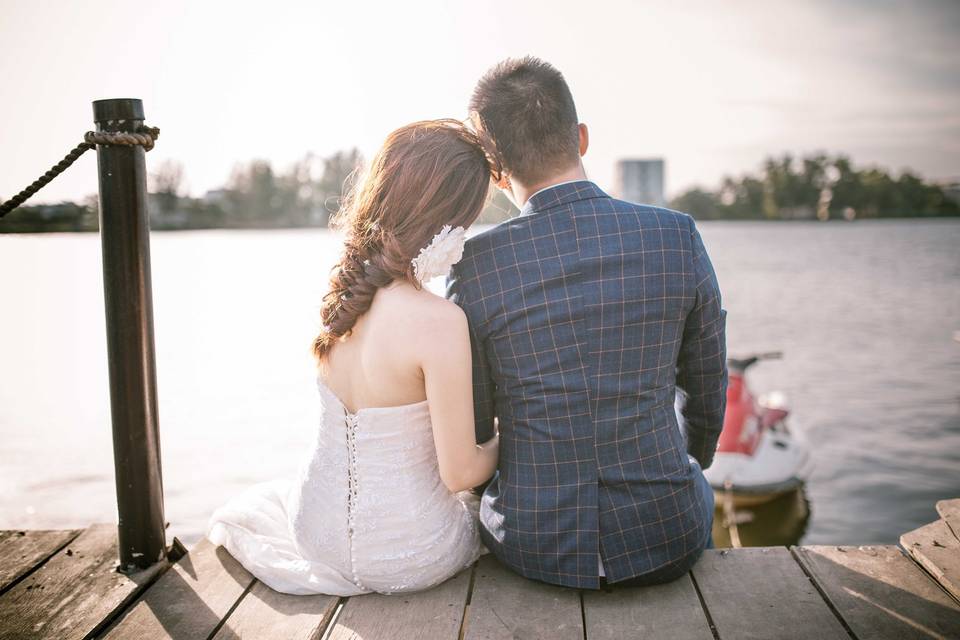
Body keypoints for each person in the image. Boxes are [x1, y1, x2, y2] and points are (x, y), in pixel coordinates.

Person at [446, 56, 727, 590]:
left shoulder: (474, 267)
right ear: (581, 137)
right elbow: (708, 385)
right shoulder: (676, 236)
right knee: (694, 492)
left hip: (533, 545)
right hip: (666, 535)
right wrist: (686, 461)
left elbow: (479, 425)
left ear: (496, 170)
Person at [206, 119, 502, 596]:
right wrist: (508, 438)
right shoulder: (439, 321)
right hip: (412, 550)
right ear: (448, 221)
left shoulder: (345, 304)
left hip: (314, 532)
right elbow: (460, 473)